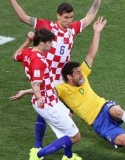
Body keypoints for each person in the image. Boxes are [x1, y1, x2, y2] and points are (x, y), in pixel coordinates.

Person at [13, 17, 125, 158]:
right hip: (98, 123)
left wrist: (96, 32)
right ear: (69, 77)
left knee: (116, 110)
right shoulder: (62, 89)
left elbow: (91, 54)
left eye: (81, 71)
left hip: (104, 107)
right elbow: (44, 90)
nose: (82, 74)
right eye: (78, 73)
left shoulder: (83, 76)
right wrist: (27, 91)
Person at [9, 1, 101, 158]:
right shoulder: (46, 26)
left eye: (71, 17)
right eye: (66, 17)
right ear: (58, 15)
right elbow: (24, 17)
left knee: (67, 115)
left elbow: (89, 17)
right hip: (47, 77)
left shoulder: (72, 29)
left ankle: (67, 155)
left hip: (64, 79)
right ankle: (37, 148)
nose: (69, 21)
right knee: (45, 112)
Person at [14, 28, 81, 160]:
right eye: (49, 43)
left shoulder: (27, 53)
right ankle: (38, 155)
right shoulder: (37, 61)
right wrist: (39, 98)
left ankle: (68, 156)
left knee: (69, 115)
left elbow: (15, 56)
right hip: (47, 103)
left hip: (50, 99)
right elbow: (36, 84)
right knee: (75, 136)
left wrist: (28, 40)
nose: (51, 45)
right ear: (41, 43)